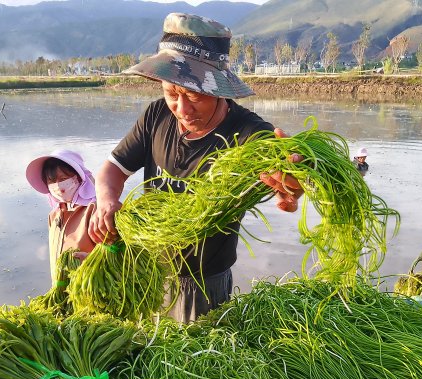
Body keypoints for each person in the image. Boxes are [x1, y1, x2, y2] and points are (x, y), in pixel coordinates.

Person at [88, 12, 303, 323]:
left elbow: (283, 167)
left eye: (194, 96)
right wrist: (106, 202)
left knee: (190, 360)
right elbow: (112, 170)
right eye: (172, 94)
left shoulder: (246, 134)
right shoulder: (156, 115)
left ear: (219, 91)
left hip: (203, 283)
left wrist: (293, 182)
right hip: (148, 267)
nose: (182, 109)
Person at [26, 149, 97, 282]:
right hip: (63, 288)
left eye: (63, 179)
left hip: (91, 284)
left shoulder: (95, 210)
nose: (58, 185)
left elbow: (116, 252)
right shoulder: (54, 215)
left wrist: (92, 260)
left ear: (78, 178)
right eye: (51, 181)